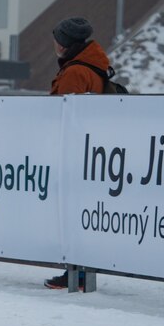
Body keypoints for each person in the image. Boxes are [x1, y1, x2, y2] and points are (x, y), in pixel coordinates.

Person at [44, 16, 110, 290]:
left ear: (64, 44)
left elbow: (65, 116)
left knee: (70, 212)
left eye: (56, 40)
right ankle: (80, 271)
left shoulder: (75, 73)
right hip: (88, 153)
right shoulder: (94, 67)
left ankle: (77, 273)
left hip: (73, 155)